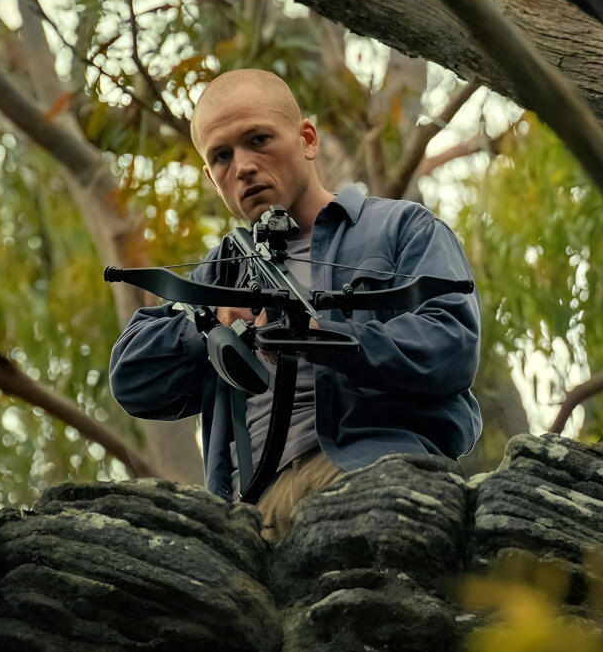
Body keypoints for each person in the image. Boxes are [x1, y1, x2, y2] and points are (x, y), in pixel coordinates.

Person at [110, 68, 481, 541]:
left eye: (258, 140)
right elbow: (132, 379)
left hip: (373, 471)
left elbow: (452, 346)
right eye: (221, 156)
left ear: (307, 139)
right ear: (211, 179)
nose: (243, 166)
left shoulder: (401, 229)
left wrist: (321, 337)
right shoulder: (219, 273)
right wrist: (213, 322)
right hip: (250, 514)